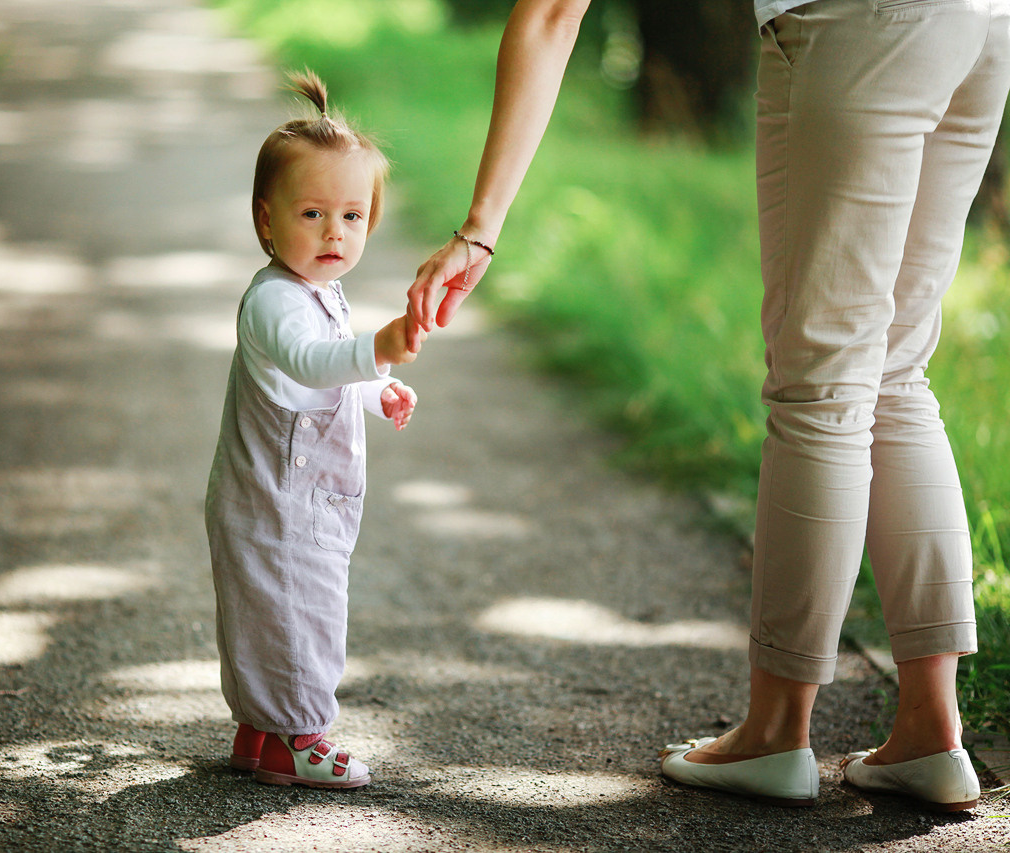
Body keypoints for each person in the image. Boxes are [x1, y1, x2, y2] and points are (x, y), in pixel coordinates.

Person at [406, 0, 1003, 811]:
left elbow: (551, 11)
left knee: (823, 381)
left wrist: (480, 228)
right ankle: (931, 734)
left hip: (857, 23)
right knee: (897, 370)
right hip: (979, 23)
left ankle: (775, 733)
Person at [206, 69, 421, 789]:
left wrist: (379, 390)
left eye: (353, 216)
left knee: (279, 611)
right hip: (277, 502)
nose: (336, 232)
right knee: (298, 616)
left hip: (303, 500)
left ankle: (259, 733)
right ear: (267, 220)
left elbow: (325, 378)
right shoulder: (275, 301)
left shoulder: (321, 288)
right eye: (313, 215)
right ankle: (299, 734)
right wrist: (379, 350)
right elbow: (312, 359)